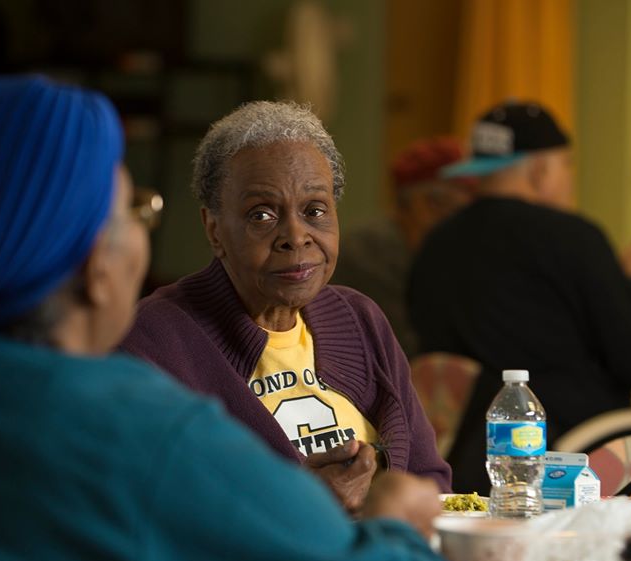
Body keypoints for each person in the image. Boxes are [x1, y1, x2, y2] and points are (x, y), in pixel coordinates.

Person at [0, 75, 462, 561]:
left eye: (315, 209)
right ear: (97, 266)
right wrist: (389, 527)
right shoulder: (152, 431)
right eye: (134, 210)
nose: (296, 236)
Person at [120, 101, 451, 511]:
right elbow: (145, 512)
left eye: (315, 211)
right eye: (261, 215)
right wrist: (296, 505)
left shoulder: (361, 319)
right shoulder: (154, 340)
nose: (296, 236)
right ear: (214, 229)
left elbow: (430, 479)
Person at [408, 100, 631, 493]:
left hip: (458, 453)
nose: (568, 178)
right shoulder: (573, 238)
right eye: (567, 166)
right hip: (569, 455)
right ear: (541, 169)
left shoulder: (435, 243)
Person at [331, 136, 474, 358]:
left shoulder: (435, 250)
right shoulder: (370, 250)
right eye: (448, 205)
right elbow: (398, 346)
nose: (456, 220)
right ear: (413, 202)